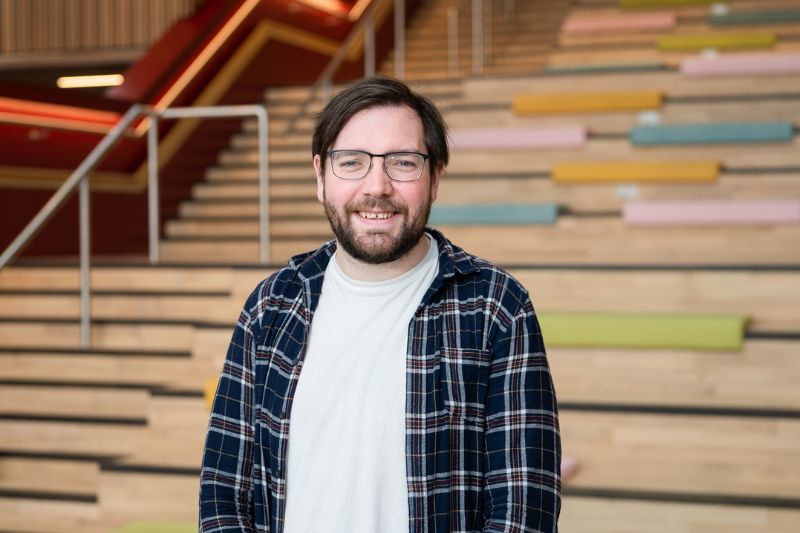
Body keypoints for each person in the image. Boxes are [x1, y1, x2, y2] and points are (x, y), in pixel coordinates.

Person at [199, 76, 561, 532]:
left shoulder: (495, 307)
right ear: (320, 177)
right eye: (351, 162)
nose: (377, 186)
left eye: (404, 163)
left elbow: (524, 510)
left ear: (434, 180)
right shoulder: (271, 307)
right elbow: (223, 494)